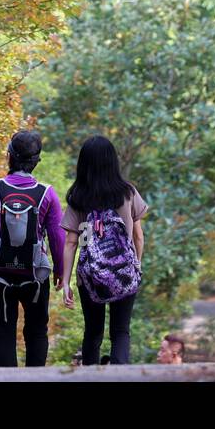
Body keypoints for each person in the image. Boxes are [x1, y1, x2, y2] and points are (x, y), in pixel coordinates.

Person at [0, 130, 64, 367]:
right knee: (36, 333)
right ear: (36, 162)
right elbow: (57, 238)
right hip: (34, 276)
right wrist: (60, 272)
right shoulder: (47, 194)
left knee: (3, 335)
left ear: (9, 156)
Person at [61, 135, 148, 365]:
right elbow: (139, 236)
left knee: (93, 332)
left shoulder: (78, 196)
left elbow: (70, 242)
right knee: (120, 331)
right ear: (113, 162)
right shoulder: (127, 192)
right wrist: (136, 265)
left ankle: (91, 376)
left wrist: (67, 281)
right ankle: (120, 376)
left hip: (89, 276)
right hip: (123, 272)